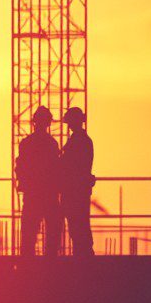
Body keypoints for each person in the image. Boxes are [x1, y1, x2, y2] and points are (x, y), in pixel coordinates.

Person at [16, 106, 62, 256]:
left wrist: (24, 183)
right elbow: (56, 169)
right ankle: (50, 265)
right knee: (52, 233)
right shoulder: (52, 144)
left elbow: (20, 167)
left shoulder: (27, 143)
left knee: (29, 234)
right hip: (48, 194)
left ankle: (28, 267)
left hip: (33, 194)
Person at [60, 107, 96, 257]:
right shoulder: (81, 140)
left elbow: (70, 165)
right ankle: (83, 255)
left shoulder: (79, 141)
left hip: (75, 190)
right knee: (79, 226)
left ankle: (84, 257)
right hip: (77, 189)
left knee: (78, 225)